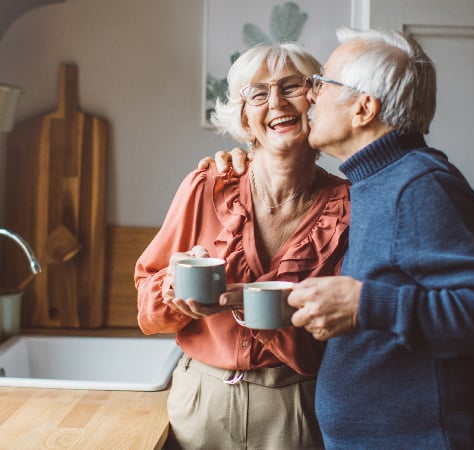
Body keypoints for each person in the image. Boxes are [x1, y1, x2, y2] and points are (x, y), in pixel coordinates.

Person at [205, 28, 474, 449]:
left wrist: (363, 304)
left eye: (322, 83)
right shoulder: (375, 180)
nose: (311, 96)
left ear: (363, 108)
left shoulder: (420, 186)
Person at [135, 41, 350, 449]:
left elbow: (347, 336)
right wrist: (172, 288)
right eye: (258, 93)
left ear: (316, 100)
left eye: (291, 87)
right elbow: (147, 310)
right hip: (201, 400)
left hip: (298, 404)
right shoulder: (205, 186)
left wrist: (250, 303)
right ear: (245, 117)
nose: (275, 102)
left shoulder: (350, 207)